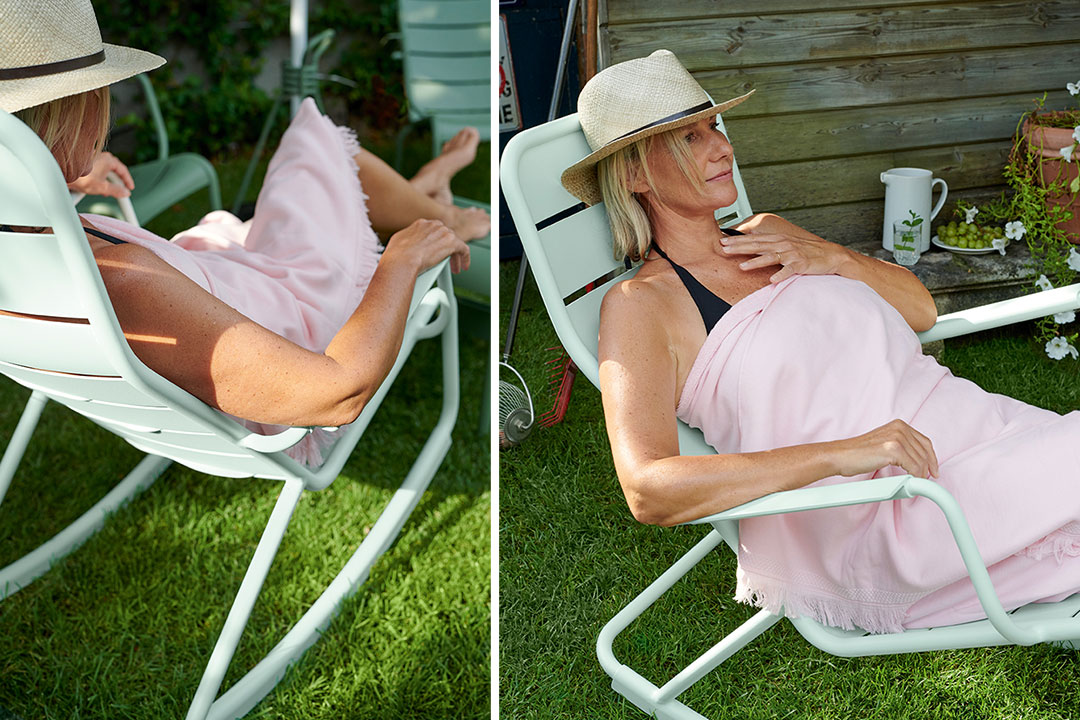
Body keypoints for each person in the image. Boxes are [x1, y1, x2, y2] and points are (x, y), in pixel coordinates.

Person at [561, 49, 1080, 633]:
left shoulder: (770, 234)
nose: (723, 147)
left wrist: (831, 257)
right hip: (897, 504)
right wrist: (844, 453)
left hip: (982, 430)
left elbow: (920, 308)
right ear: (634, 174)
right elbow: (647, 488)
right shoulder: (642, 306)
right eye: (690, 138)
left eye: (715, 126)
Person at [1, 0, 489, 464]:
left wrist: (64, 175)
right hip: (292, 321)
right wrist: (401, 258)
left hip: (224, 283)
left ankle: (423, 192)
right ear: (82, 105)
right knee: (313, 146)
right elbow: (339, 392)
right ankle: (436, 212)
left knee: (310, 181)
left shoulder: (22, 248)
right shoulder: (125, 281)